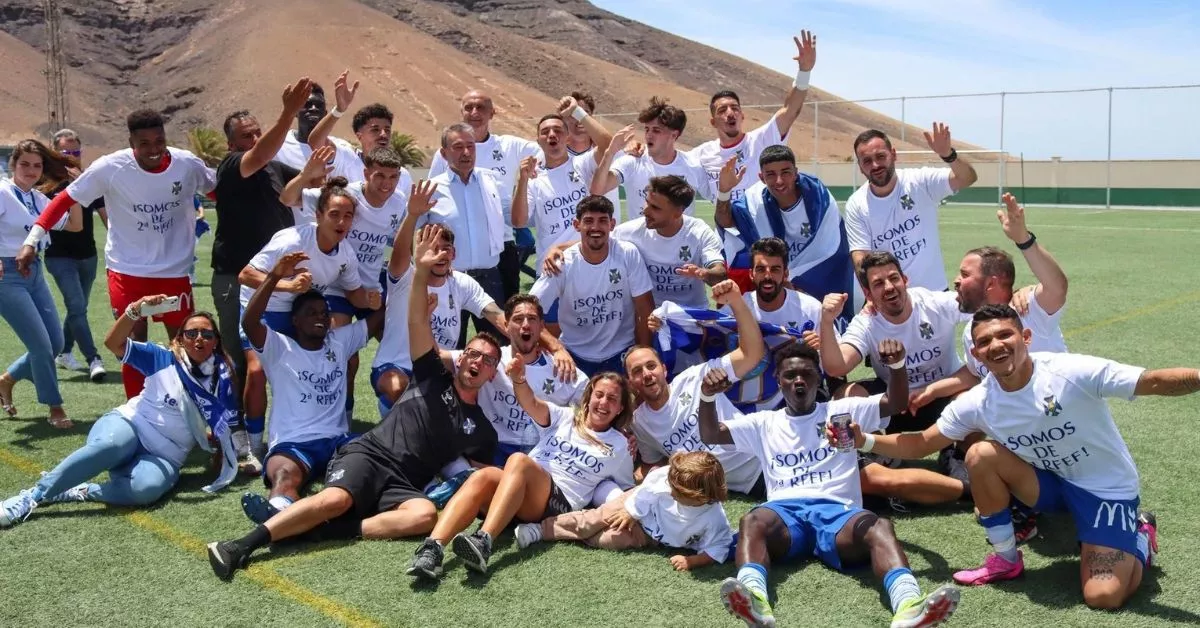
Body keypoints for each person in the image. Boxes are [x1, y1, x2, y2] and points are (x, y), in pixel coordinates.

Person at [848, 304, 1199, 610]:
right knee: (980, 453)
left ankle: (1140, 534)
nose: (995, 346)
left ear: (1026, 337)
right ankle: (1005, 560)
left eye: (1004, 335)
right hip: (1047, 484)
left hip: (1106, 489)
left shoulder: (1069, 372)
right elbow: (921, 443)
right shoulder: (979, 400)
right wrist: (863, 440)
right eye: (984, 342)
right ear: (977, 354)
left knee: (1103, 596)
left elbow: (1151, 381)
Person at [206, 224, 502, 581]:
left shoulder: (481, 427)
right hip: (371, 455)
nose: (476, 362)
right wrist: (421, 271)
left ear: (492, 374)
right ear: (458, 357)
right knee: (335, 500)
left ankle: (326, 531)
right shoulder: (429, 373)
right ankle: (239, 545)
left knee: (423, 515)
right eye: (472, 353)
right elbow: (415, 319)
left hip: (404, 482)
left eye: (487, 361)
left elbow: (484, 477)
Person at [696, 341, 961, 628]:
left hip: (840, 515)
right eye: (790, 375)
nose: (799, 381)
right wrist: (707, 396)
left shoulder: (842, 410)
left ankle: (908, 606)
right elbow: (711, 433)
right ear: (778, 380)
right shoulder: (764, 423)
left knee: (879, 526)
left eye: (807, 374)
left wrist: (897, 366)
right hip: (785, 517)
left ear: (818, 378)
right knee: (753, 520)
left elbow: (895, 404)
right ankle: (755, 602)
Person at [18, 109, 218, 399]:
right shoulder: (110, 167)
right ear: (131, 142)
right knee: (133, 344)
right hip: (127, 271)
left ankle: (193, 410)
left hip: (174, 272)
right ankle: (137, 411)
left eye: (158, 141)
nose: (153, 149)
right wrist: (31, 240)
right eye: (144, 143)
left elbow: (219, 193)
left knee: (184, 344)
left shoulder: (187, 164)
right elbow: (63, 200)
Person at [0, 298, 239, 528]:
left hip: (166, 454)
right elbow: (113, 343)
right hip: (131, 425)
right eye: (191, 333)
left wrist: (222, 455)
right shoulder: (162, 357)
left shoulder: (225, 377)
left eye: (207, 335)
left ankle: (79, 490)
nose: (199, 339)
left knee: (146, 490)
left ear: (216, 341)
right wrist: (134, 311)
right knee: (111, 446)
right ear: (180, 339)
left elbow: (225, 422)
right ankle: (32, 496)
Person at [407, 366, 636, 580]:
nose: (603, 402)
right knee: (481, 476)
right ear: (589, 396)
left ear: (620, 408)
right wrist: (519, 379)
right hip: (518, 489)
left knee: (518, 460)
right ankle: (432, 549)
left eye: (612, 399)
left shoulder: (620, 446)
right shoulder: (565, 417)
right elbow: (531, 403)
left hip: (556, 504)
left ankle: (483, 541)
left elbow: (627, 488)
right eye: (599, 395)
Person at [237, 175, 378, 466]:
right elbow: (246, 275)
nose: (341, 222)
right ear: (318, 215)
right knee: (257, 370)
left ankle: (341, 427)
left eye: (347, 216)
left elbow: (354, 294)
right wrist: (287, 285)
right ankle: (253, 447)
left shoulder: (345, 254)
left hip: (300, 313)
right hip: (265, 309)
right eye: (334, 214)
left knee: (346, 359)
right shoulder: (292, 240)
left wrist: (371, 301)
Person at [238, 251, 384, 524]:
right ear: (295, 320)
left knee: (377, 457)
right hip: (293, 444)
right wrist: (275, 276)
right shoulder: (279, 347)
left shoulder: (340, 341)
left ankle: (419, 493)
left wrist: (381, 294)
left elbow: (379, 317)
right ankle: (278, 514)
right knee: (283, 476)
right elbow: (249, 322)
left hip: (337, 441)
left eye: (324, 313)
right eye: (311, 313)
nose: (320, 317)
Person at [819, 251, 972, 506]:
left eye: (893, 278)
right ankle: (879, 454)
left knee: (972, 395)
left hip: (942, 397)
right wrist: (826, 321)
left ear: (905, 279)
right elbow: (836, 366)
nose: (889, 287)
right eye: (878, 284)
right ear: (868, 295)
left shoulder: (934, 304)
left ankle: (956, 453)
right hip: (897, 402)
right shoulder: (867, 322)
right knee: (846, 395)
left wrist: (1024, 296)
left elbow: (983, 307)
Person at [911, 192, 1069, 412]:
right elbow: (975, 373)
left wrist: (1023, 239)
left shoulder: (1028, 308)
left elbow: (1057, 286)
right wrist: (932, 390)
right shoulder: (972, 330)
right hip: (1011, 422)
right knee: (961, 402)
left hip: (1054, 416)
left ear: (990, 284)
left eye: (965, 275)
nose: (956, 281)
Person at [211, 79, 312, 408]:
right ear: (230, 145)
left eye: (257, 132)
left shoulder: (274, 168)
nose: (254, 139)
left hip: (280, 280)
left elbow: (311, 175)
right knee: (237, 359)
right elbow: (261, 152)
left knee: (286, 355)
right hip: (236, 278)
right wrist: (288, 114)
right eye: (245, 136)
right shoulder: (230, 167)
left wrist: (335, 114)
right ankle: (233, 427)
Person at [692, 31, 816, 285]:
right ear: (712, 120)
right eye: (722, 110)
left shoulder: (761, 140)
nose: (730, 113)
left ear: (742, 115)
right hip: (735, 249)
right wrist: (636, 148)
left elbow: (790, 109)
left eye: (734, 108)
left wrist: (804, 72)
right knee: (739, 312)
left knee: (780, 308)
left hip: (771, 245)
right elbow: (667, 159)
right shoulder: (701, 155)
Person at [624, 279, 764, 495]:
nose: (646, 375)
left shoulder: (695, 376)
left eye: (651, 366)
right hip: (745, 485)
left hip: (762, 456)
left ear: (664, 369)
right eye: (637, 371)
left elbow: (751, 354)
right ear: (631, 383)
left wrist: (736, 301)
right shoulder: (640, 423)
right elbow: (655, 463)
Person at [515, 451, 735, 572]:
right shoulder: (668, 476)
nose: (671, 489)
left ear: (701, 497)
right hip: (636, 505)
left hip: (650, 536)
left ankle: (572, 532)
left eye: (679, 492)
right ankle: (540, 530)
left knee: (605, 539)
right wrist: (631, 512)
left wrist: (692, 562)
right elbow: (647, 490)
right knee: (593, 520)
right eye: (672, 484)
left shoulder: (714, 518)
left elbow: (719, 547)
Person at [717, 145, 854, 326]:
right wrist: (724, 192)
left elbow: (830, 249)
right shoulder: (755, 202)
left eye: (785, 172)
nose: (779, 180)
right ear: (761, 178)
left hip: (818, 282)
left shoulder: (818, 198)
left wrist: (792, 279)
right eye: (771, 174)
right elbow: (726, 221)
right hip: (779, 284)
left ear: (796, 172)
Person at [429, 90, 541, 308]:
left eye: (480, 107)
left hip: (501, 249)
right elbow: (434, 201)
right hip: (456, 256)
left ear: (493, 113)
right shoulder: (441, 160)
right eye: (468, 107)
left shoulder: (509, 146)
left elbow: (551, 151)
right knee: (453, 329)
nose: (474, 112)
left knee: (502, 321)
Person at [0, 140, 83, 428]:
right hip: (6, 275)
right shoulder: (1, 191)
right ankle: (55, 407)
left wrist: (75, 192)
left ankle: (6, 380)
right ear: (13, 164)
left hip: (34, 272)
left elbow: (74, 225)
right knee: (39, 345)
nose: (31, 170)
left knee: (56, 342)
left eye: (37, 165)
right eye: (25, 164)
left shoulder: (38, 199)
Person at [843, 124, 978, 291]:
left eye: (880, 156)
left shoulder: (919, 181)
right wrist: (870, 293)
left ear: (893, 155)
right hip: (891, 301)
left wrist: (948, 155)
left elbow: (967, 178)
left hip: (934, 296)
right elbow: (860, 258)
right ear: (860, 166)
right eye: (867, 161)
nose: (875, 165)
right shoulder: (856, 204)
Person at [533, 195, 655, 375]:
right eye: (588, 221)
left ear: (612, 224)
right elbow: (527, 310)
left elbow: (645, 310)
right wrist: (556, 348)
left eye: (602, 221)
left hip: (621, 351)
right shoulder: (562, 262)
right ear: (576, 225)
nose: (595, 228)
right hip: (574, 354)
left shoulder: (628, 254)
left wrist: (642, 354)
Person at [418, 123, 516, 342]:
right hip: (448, 280)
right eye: (458, 146)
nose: (466, 153)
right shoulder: (431, 188)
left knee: (497, 345)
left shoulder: (491, 181)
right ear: (444, 153)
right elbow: (417, 237)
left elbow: (515, 218)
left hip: (490, 277)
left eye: (470, 146)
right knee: (451, 345)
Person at [518, 98, 614, 270]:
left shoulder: (582, 165)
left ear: (568, 138)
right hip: (552, 268)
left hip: (588, 263)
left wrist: (577, 111)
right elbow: (518, 222)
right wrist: (522, 180)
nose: (552, 135)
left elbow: (608, 145)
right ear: (538, 140)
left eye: (558, 130)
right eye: (545, 132)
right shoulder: (533, 179)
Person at [731, 237, 825, 411]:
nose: (768, 276)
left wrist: (820, 348)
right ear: (751, 274)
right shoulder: (736, 309)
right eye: (761, 269)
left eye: (775, 269)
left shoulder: (811, 308)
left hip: (798, 399)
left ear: (786, 273)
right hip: (751, 402)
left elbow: (836, 360)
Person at [44, 129, 108, 383]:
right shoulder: (46, 183)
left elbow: (107, 219)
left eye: (75, 152)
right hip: (59, 257)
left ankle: (64, 352)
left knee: (77, 308)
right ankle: (94, 359)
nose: (71, 157)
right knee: (77, 307)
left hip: (87, 256)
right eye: (65, 152)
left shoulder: (89, 181)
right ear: (55, 154)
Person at [611, 175, 726, 308]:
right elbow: (592, 246)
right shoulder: (628, 232)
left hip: (693, 316)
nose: (645, 211)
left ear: (678, 213)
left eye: (655, 208)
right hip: (651, 315)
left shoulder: (700, 233)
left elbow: (720, 274)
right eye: (647, 202)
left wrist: (703, 273)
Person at [589, 98, 711, 217]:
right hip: (639, 238)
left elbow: (715, 197)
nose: (649, 135)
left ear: (674, 135)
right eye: (647, 129)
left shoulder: (692, 166)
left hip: (681, 238)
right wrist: (610, 153)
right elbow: (597, 191)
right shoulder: (632, 161)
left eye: (656, 130)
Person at [302, 70, 401, 180]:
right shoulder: (346, 159)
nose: (383, 134)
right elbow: (315, 141)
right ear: (359, 136)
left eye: (387, 130)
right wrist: (339, 110)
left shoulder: (401, 175)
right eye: (375, 130)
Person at [270, 80, 360, 180]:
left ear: (326, 113)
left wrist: (340, 109)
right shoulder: (279, 145)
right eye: (307, 104)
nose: (313, 108)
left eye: (319, 105)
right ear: (295, 111)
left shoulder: (339, 148)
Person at [562, 91, 623, 216]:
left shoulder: (606, 151)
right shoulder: (555, 155)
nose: (579, 120)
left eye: (584, 113)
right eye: (573, 113)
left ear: (591, 118)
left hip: (609, 228)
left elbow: (610, 146)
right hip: (573, 230)